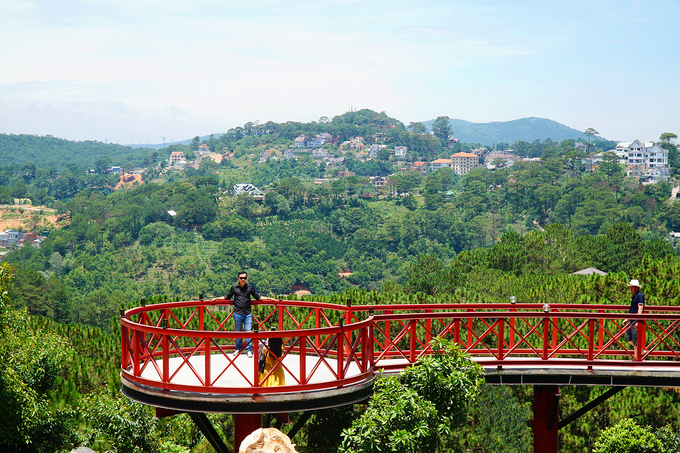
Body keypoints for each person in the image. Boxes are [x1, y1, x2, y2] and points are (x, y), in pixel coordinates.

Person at [224, 271, 261, 358]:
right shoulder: (234, 288)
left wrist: (271, 299)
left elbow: (257, 297)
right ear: (238, 279)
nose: (243, 279)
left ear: (246, 278)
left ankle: (248, 350)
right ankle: (238, 348)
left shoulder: (250, 288)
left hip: (247, 313)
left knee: (248, 332)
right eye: (241, 278)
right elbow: (227, 297)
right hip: (238, 313)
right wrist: (216, 299)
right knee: (238, 332)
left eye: (244, 278)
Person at [624, 279, 644, 349]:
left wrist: (637, 321)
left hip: (635, 321)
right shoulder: (634, 296)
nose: (631, 289)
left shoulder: (639, 296)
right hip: (631, 321)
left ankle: (637, 357)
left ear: (637, 288)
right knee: (627, 337)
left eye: (632, 287)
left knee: (636, 341)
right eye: (630, 287)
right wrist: (627, 319)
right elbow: (632, 309)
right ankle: (641, 352)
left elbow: (640, 308)